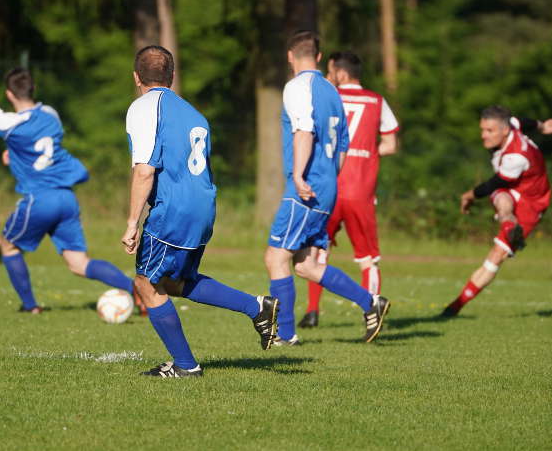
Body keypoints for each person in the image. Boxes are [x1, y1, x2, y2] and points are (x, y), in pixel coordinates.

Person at [121, 45, 278, 378]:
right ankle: (257, 307)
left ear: (137, 78)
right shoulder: (194, 113)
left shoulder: (144, 106)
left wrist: (132, 222)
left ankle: (186, 365)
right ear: (172, 76)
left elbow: (145, 170)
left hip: (173, 209)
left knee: (146, 284)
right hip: (203, 205)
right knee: (176, 282)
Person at [0, 38, 141, 314]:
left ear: (9, 94)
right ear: (33, 88)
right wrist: (15, 155)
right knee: (78, 263)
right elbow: (44, 147)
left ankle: (30, 306)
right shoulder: (51, 114)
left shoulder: (8, 123)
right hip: (66, 199)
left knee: (8, 246)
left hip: (39, 199)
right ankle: (136, 289)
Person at [264, 31, 390, 346]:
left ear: (290, 56)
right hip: (328, 183)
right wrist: (328, 177)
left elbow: (304, 132)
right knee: (306, 264)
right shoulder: (332, 92)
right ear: (319, 58)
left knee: (276, 257)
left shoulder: (297, 86)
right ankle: (370, 302)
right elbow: (343, 146)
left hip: (306, 185)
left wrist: (299, 176)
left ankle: (286, 335)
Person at [298, 51, 399, 328]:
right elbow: (390, 144)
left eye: (330, 71)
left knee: (317, 253)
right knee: (368, 259)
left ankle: (312, 311)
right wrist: (366, 151)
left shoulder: (329, 96)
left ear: (339, 73)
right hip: (361, 191)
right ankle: (372, 311)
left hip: (327, 188)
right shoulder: (377, 101)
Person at [442, 105, 552, 317]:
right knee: (501, 194)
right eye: (482, 130)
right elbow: (523, 121)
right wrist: (543, 126)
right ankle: (508, 223)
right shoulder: (512, 126)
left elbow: (492, 183)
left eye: (489, 131)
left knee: (496, 256)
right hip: (514, 189)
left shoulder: (515, 158)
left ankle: (455, 306)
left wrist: (468, 195)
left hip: (532, 202)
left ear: (504, 131)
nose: (483, 136)